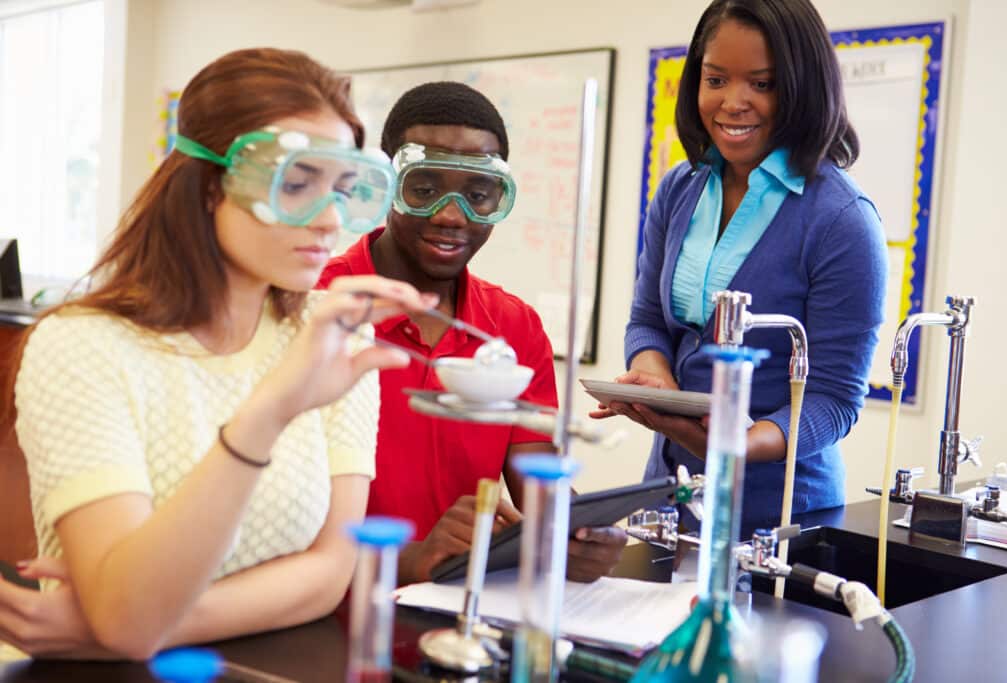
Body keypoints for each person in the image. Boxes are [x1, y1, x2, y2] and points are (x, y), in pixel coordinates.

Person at [0, 47, 434, 660]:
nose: (329, 219)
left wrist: (125, 626)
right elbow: (129, 619)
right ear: (210, 187)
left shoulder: (334, 334)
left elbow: (333, 568)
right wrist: (270, 412)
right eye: (297, 183)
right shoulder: (83, 346)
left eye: (342, 188)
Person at [591, 0, 887, 529]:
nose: (733, 102)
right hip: (671, 490)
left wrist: (741, 445)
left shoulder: (841, 220)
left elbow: (834, 399)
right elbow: (649, 321)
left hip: (783, 513)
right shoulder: (679, 189)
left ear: (803, 89)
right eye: (716, 79)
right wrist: (654, 379)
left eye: (762, 84)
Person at [317, 81, 626, 584]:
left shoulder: (514, 326)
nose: (450, 216)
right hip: (327, 620)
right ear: (387, 182)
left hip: (463, 618)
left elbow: (537, 485)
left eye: (478, 196)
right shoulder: (319, 304)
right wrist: (411, 557)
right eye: (424, 188)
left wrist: (579, 534)